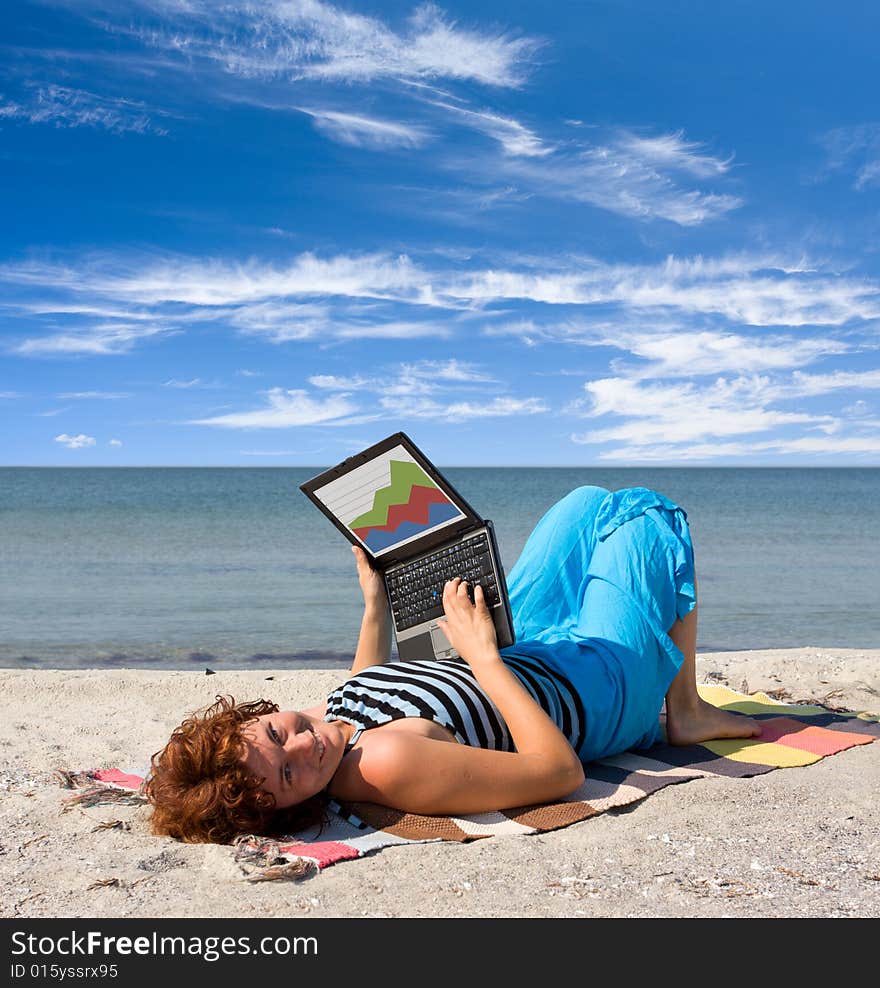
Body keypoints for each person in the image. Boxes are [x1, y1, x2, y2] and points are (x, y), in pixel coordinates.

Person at [147, 485, 761, 844]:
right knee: (649, 517)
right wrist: (482, 655)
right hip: (595, 693)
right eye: (289, 777)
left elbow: (362, 689)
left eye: (280, 732)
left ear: (261, 716)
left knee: (588, 503)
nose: (304, 745)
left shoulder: (324, 730)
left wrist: (376, 605)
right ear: (291, 809)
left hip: (518, 651)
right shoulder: (384, 766)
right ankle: (682, 710)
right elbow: (559, 773)